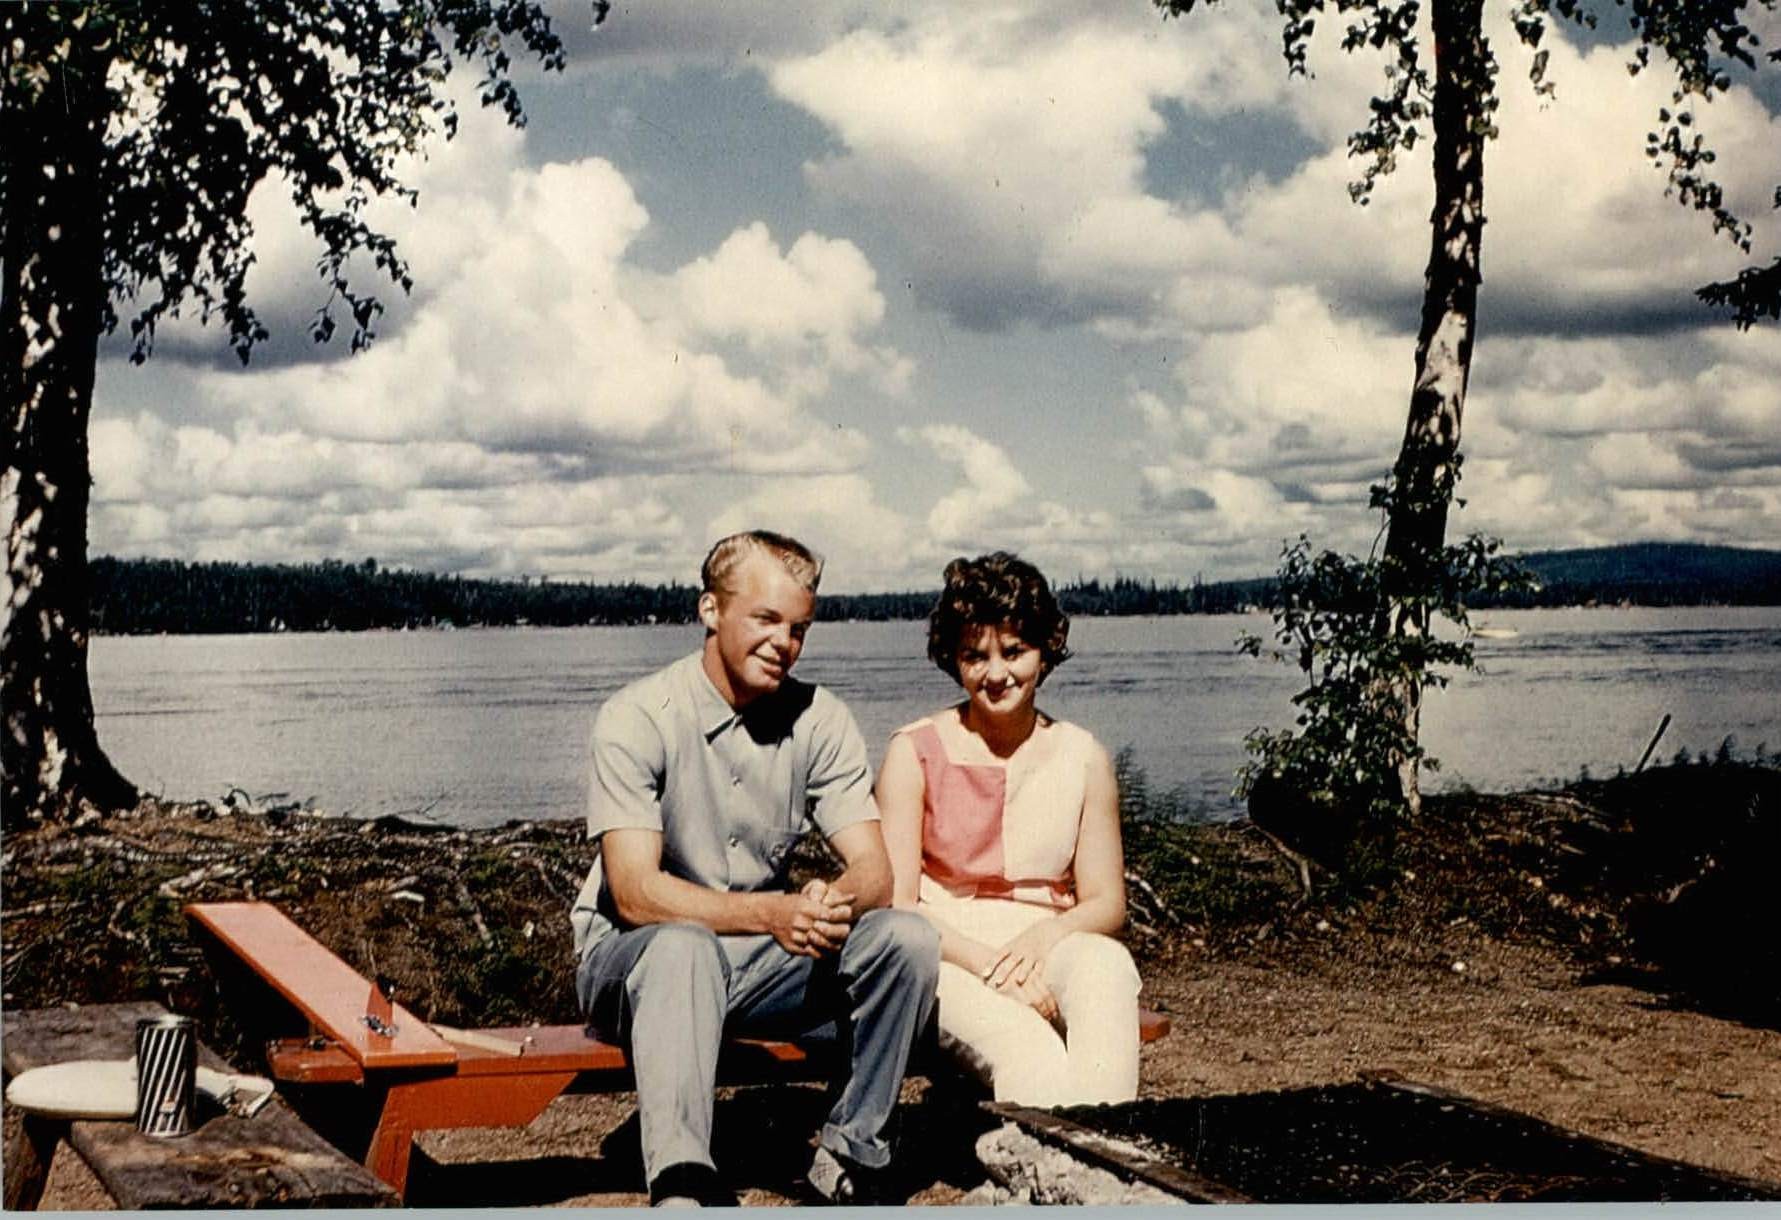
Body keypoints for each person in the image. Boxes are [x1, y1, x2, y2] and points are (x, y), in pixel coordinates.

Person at [570, 530, 940, 1206]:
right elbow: (634, 893)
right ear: (710, 610)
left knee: (904, 940)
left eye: (798, 627)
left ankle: (850, 1151)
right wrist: (771, 912)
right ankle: (682, 1179)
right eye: (765, 619)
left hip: (755, 962)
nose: (784, 643)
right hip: (633, 963)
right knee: (683, 947)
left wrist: (831, 899)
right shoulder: (636, 716)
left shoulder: (819, 718)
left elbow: (874, 871)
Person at [875, 552, 1140, 1107]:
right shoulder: (913, 751)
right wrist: (994, 967)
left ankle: (1108, 1162)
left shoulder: (1083, 756)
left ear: (1044, 653)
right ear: (954, 659)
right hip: (946, 953)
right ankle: (1045, 1174)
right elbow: (898, 905)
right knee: (1031, 1049)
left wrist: (1038, 944)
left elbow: (1105, 902)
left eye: (1014, 652)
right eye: (975, 656)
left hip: (1045, 939)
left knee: (1107, 968)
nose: (996, 674)